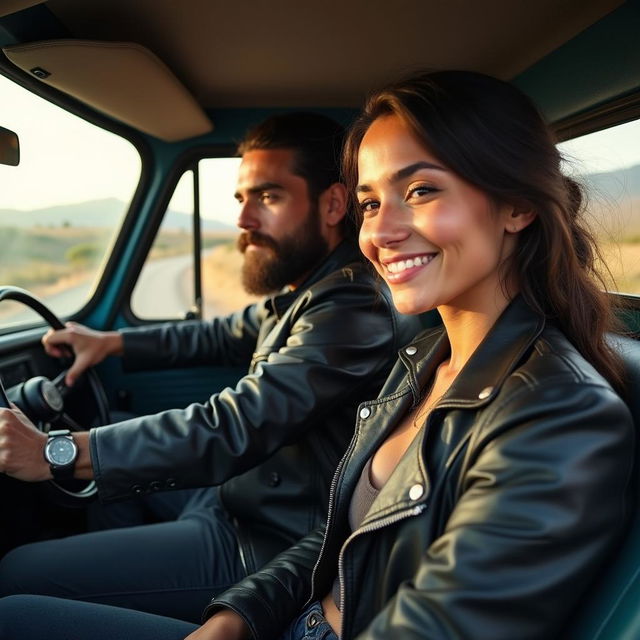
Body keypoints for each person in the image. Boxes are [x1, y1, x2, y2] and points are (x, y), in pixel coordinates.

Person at [0, 69, 634, 640]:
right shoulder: (428, 357)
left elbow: (241, 423)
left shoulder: (558, 416)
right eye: (371, 202)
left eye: (421, 191)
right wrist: (239, 617)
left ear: (517, 205)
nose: (381, 232)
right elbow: (346, 531)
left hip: (270, 561)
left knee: (18, 602)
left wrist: (61, 450)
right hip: (286, 600)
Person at [0, 112, 420, 623]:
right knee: (110, 464)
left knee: (18, 573)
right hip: (240, 496)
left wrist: (55, 451)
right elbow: (219, 333)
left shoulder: (353, 306)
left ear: (332, 204)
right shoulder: (308, 289)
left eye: (268, 197)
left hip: (270, 539)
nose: (244, 221)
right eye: (241, 199)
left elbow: (238, 424)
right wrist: (110, 342)